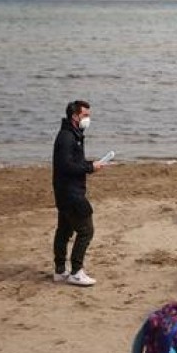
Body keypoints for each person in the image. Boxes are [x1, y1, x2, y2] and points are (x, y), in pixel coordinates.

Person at [52, 100, 108, 287]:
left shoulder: (74, 134)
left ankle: (60, 270)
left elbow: (74, 161)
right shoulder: (67, 137)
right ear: (75, 116)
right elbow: (66, 165)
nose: (88, 119)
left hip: (65, 191)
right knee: (86, 230)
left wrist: (89, 165)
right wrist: (90, 167)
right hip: (70, 193)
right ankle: (76, 271)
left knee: (65, 230)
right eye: (85, 115)